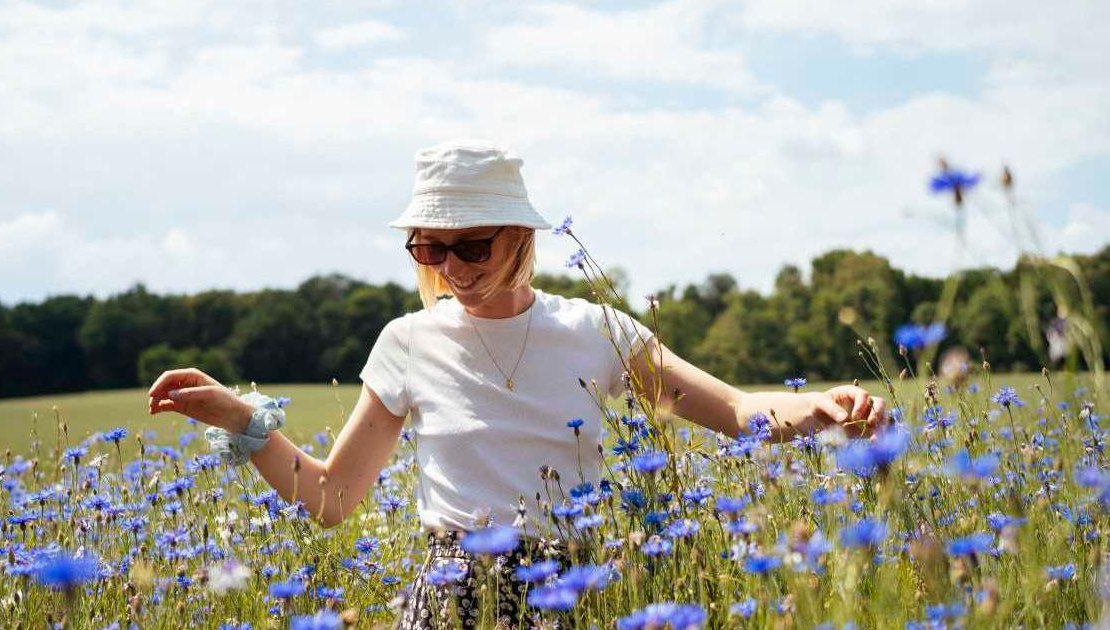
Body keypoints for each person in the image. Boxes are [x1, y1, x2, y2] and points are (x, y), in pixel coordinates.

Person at [146, 140, 888, 629]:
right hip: (451, 595)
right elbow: (332, 499)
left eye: (471, 245)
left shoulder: (598, 331)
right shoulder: (406, 342)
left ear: (520, 236)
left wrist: (821, 408)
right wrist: (240, 420)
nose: (453, 266)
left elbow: (732, 408)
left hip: (580, 588)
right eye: (431, 247)